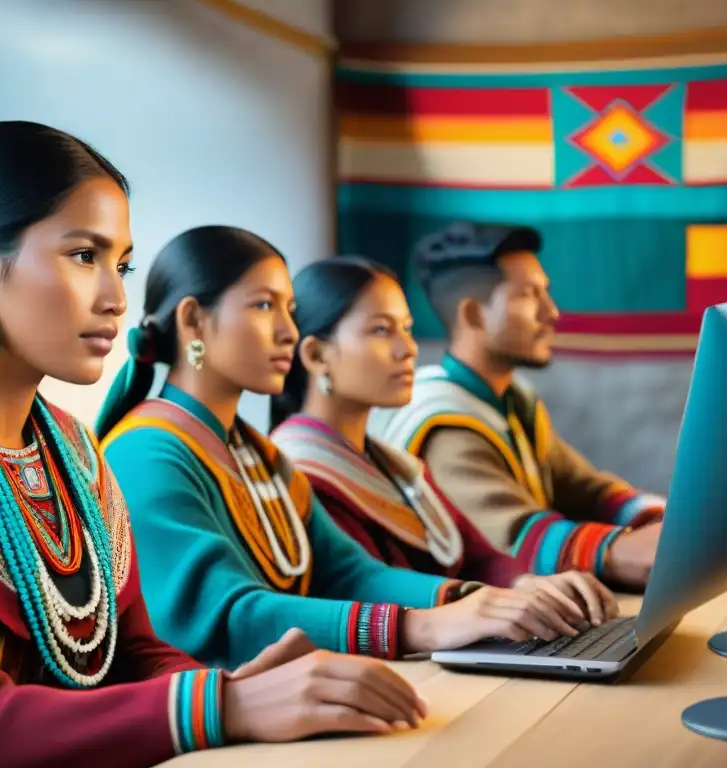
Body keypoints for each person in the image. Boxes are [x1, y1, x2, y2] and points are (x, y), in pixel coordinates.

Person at [0, 122, 430, 768]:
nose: (116, 297)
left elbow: (133, 655)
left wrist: (238, 691)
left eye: (121, 263)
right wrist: (228, 707)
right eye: (83, 256)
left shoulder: (69, 449)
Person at [96, 226, 601, 676]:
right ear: (195, 323)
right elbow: (231, 615)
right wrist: (424, 627)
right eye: (263, 305)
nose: (289, 333)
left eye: (290, 311)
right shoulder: (148, 453)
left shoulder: (259, 457)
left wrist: (470, 599)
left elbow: (348, 571)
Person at [268, 256, 618, 622]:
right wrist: (488, 599)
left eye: (407, 328)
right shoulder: (301, 473)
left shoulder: (399, 467)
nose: (409, 349)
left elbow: (480, 557)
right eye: (382, 330)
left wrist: (527, 584)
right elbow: (366, 591)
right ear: (316, 354)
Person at [366, 223, 665, 590]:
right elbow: (510, 537)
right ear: (474, 315)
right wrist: (619, 551)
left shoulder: (512, 399)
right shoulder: (443, 422)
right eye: (528, 295)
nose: (551, 312)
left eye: (546, 293)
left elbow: (581, 488)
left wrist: (654, 515)